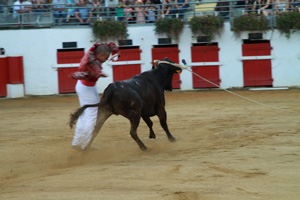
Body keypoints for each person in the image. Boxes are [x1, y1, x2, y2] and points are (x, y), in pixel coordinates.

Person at [69, 42, 120, 150]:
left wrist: (115, 52)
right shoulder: (90, 64)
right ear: (100, 55)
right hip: (87, 89)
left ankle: (77, 142)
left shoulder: (95, 49)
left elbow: (110, 44)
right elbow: (80, 74)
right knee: (92, 116)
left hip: (83, 86)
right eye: (105, 58)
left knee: (85, 114)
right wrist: (97, 74)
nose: (106, 60)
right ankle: (84, 145)